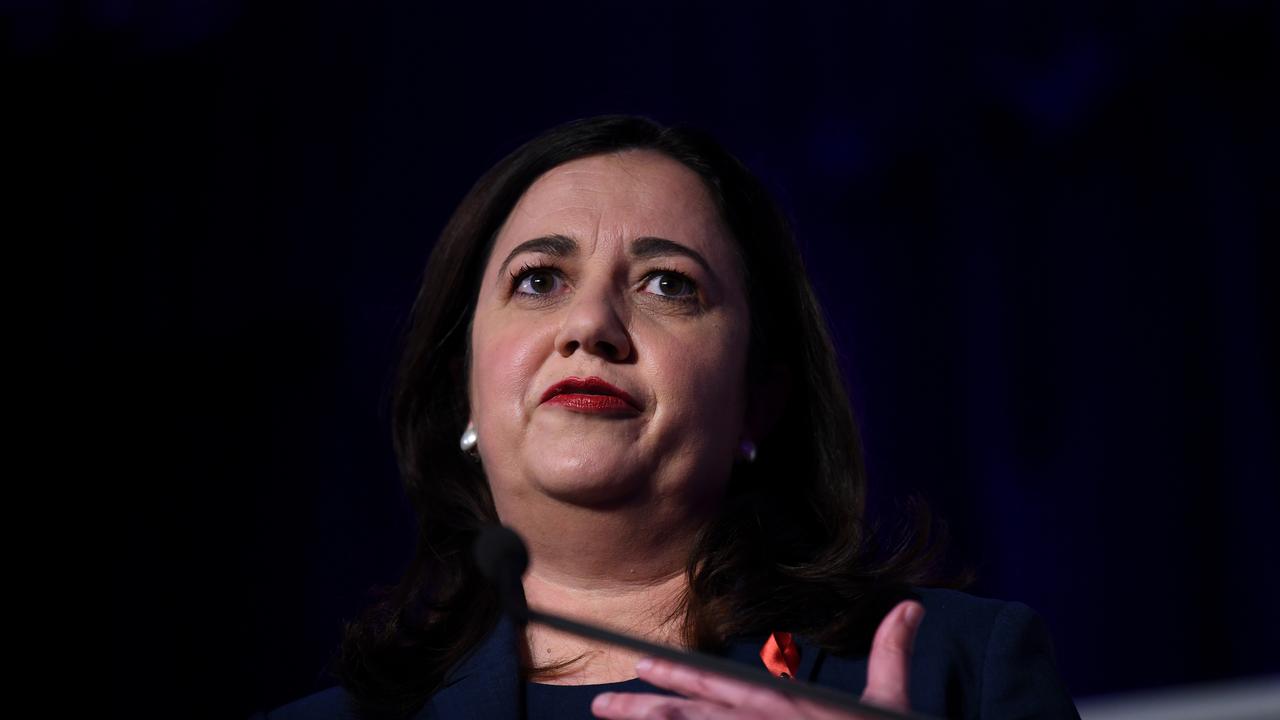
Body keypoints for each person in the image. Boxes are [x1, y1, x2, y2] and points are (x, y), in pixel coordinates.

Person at [259, 115, 1080, 719]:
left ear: (759, 399)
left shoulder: (963, 670)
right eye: (540, 279)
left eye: (668, 285)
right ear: (461, 391)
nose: (590, 327)